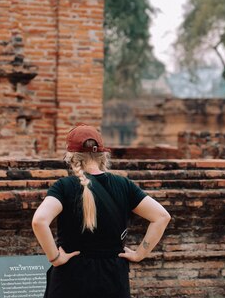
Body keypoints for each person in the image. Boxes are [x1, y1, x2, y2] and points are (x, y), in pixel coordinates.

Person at [32, 124, 171, 298]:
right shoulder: (123, 185)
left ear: (71, 156)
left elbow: (39, 221)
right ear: (103, 154)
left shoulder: (64, 186)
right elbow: (162, 217)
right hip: (113, 277)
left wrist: (54, 258)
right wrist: (139, 254)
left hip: (71, 276)